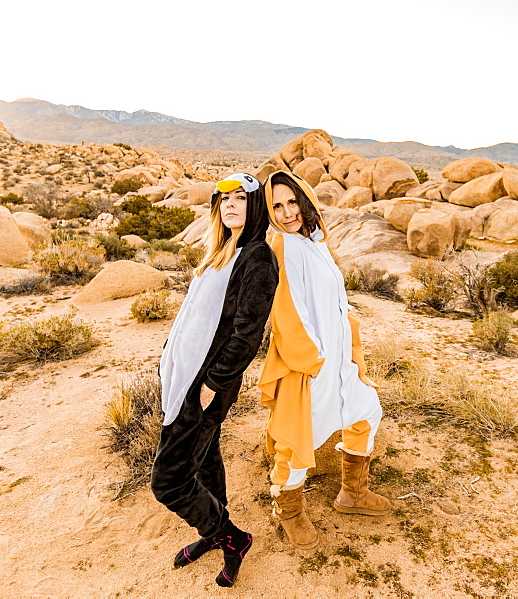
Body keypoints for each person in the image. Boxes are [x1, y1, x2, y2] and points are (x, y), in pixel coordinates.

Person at [151, 172, 277, 587]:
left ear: (255, 206)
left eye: (241, 198)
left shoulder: (257, 257)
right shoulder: (223, 250)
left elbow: (247, 333)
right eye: (225, 200)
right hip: (184, 374)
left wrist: (213, 382)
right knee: (205, 458)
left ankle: (233, 538)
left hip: (205, 385)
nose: (231, 206)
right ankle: (213, 531)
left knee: (169, 481)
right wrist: (169, 354)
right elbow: (193, 313)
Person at [258, 170, 390, 550]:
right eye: (276, 206)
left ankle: (353, 492)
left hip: (340, 357)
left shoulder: (314, 242)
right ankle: (289, 512)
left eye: (291, 202)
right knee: (298, 442)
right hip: (310, 365)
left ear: (305, 200)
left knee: (367, 411)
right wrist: (312, 363)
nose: (286, 213)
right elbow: (289, 309)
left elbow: (334, 302)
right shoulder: (283, 245)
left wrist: (350, 351)